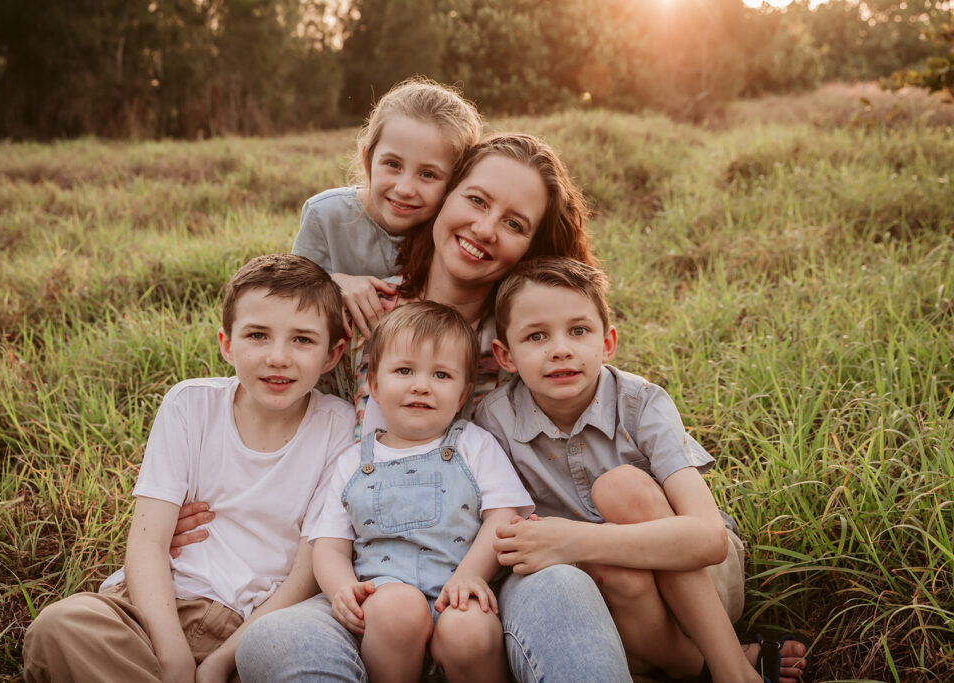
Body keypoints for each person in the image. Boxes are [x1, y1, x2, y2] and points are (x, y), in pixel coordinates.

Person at [226, 133, 632, 682]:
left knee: (562, 590)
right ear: (444, 198)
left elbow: (595, 431)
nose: (486, 229)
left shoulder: (530, 338)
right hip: (374, 571)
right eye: (477, 201)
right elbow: (269, 362)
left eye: (514, 224)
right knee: (275, 641)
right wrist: (329, 283)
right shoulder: (361, 307)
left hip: (494, 570)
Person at [474, 256, 811, 683]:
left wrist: (575, 539)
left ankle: (731, 670)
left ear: (607, 342)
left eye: (578, 331)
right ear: (505, 355)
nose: (560, 348)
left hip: (700, 581)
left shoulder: (641, 402)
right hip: (610, 601)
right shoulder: (494, 422)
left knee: (623, 488)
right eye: (536, 335)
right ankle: (698, 666)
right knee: (607, 571)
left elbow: (707, 541)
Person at [22, 254, 356, 683]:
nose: (278, 357)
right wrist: (174, 657)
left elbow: (307, 573)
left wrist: (220, 662)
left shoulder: (340, 427)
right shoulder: (189, 404)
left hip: (254, 625)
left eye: (302, 340)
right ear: (227, 344)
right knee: (60, 627)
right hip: (154, 608)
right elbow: (147, 543)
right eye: (257, 335)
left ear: (333, 354)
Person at [311, 302, 534, 682]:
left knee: (472, 630)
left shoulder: (473, 445)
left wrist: (470, 576)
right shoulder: (353, 461)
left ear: (463, 394)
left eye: (441, 375)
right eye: (404, 371)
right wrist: (342, 589)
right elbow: (328, 544)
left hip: (458, 589)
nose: (421, 385)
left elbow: (503, 515)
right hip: (383, 605)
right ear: (376, 386)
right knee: (398, 609)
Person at [292, 77, 482, 338]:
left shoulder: (450, 233)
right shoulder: (325, 214)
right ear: (368, 160)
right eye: (392, 164)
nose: (404, 188)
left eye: (428, 174)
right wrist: (333, 284)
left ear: (454, 183)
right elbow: (290, 296)